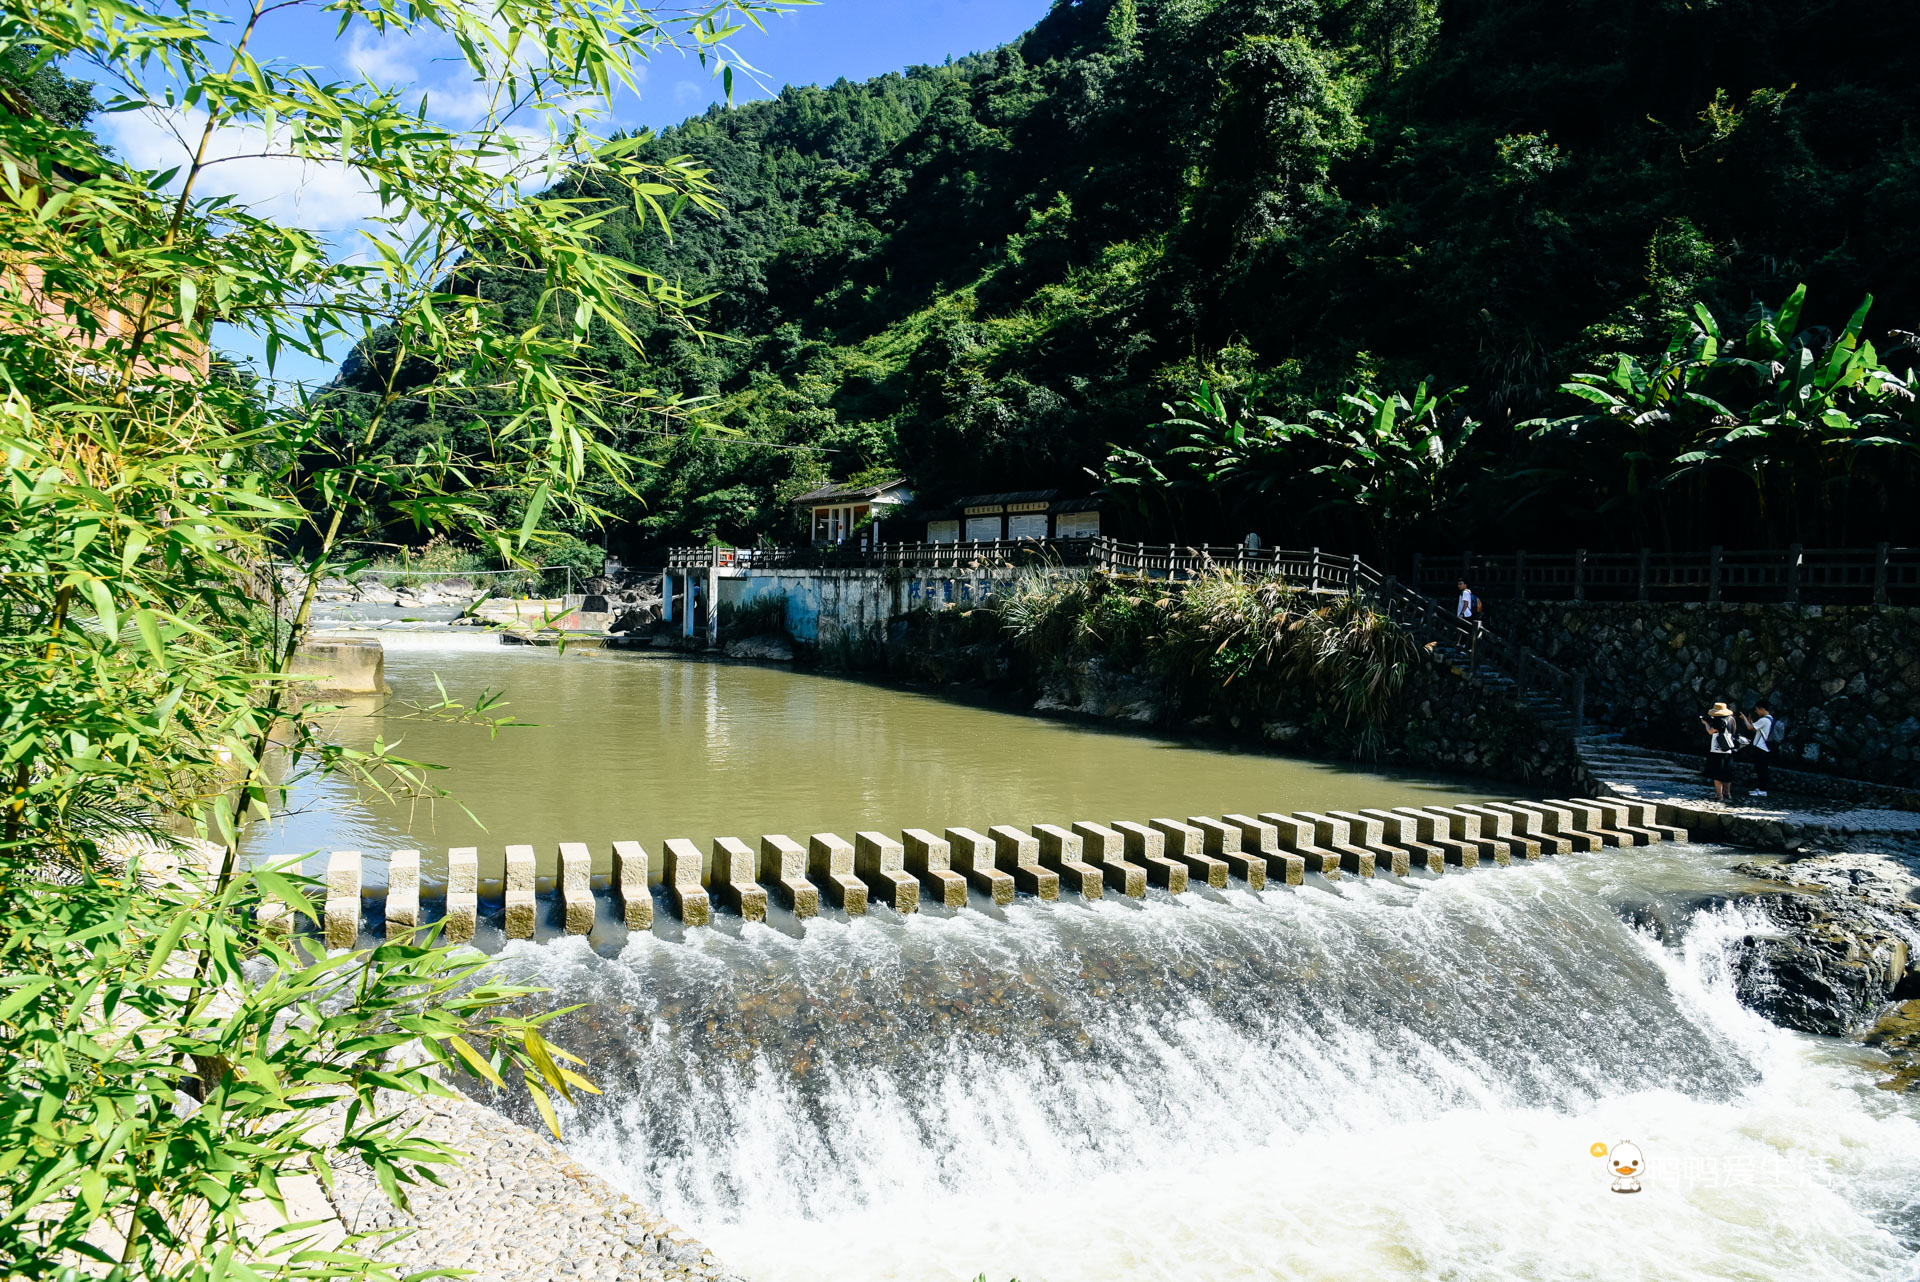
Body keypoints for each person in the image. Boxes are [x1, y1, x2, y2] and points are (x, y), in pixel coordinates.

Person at [1700, 702, 1739, 802]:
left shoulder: (1720, 721)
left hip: (1718, 750)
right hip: (1729, 749)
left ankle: (1719, 794)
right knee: (1727, 772)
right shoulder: (1732, 719)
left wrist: (1706, 724)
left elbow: (1710, 731)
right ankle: (1727, 793)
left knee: (1717, 773)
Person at [1739, 700, 1775, 797]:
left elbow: (1750, 728)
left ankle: (1763, 790)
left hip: (1761, 748)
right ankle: (1760, 789)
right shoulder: (1770, 719)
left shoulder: (1764, 720)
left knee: (1761, 770)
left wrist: (1744, 719)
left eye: (1757, 710)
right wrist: (1749, 721)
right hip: (1764, 748)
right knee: (1761, 769)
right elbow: (1755, 729)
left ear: (1762, 709)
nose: (1756, 712)